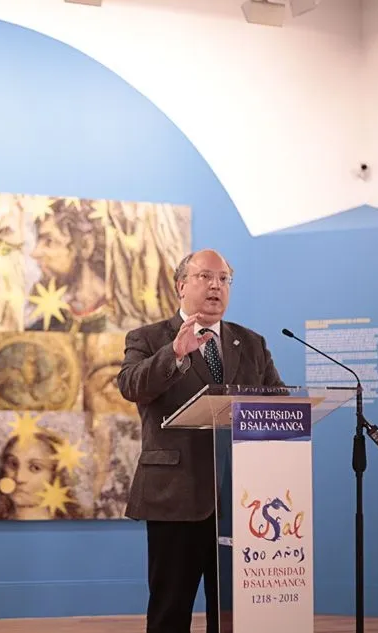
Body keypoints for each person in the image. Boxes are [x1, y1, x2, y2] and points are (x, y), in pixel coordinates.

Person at [117, 249, 283, 633]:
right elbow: (130, 386)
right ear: (181, 286)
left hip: (242, 500)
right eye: (206, 277)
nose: (216, 286)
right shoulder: (148, 337)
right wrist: (174, 353)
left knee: (233, 614)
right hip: (175, 496)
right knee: (170, 609)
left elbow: (276, 400)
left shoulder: (251, 342)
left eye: (224, 279)